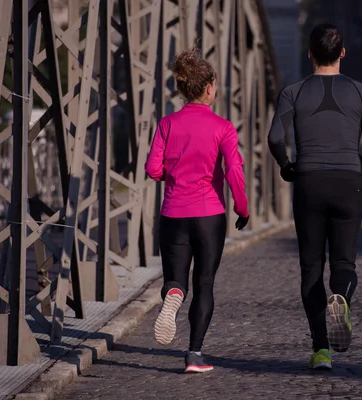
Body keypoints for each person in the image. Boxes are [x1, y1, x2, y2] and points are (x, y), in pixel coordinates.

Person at [267, 23, 362, 369]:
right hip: (348, 181)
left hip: (309, 183)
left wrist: (286, 166)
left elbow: (276, 138)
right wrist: (361, 166)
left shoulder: (293, 91)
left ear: (309, 53)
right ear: (343, 53)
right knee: (344, 264)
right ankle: (343, 301)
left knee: (310, 270)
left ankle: (321, 350)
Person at [145, 46, 249, 373]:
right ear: (208, 88)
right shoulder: (223, 127)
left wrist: (172, 174)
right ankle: (194, 355)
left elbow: (152, 169)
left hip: (173, 214)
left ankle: (173, 293)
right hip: (209, 215)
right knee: (204, 283)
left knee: (177, 280)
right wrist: (242, 209)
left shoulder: (167, 124)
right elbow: (233, 171)